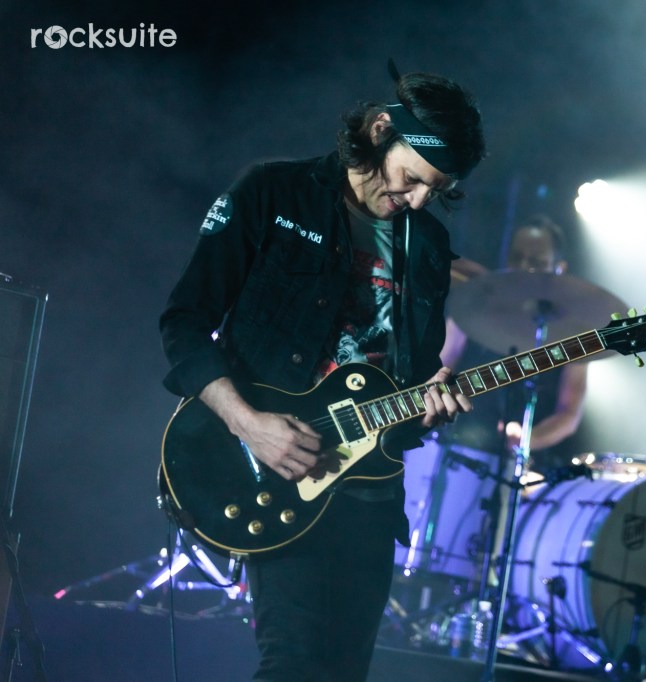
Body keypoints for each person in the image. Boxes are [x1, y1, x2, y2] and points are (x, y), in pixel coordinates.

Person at [159, 67, 486, 681]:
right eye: (413, 178)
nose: (418, 200)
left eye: (435, 190)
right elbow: (184, 322)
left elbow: (412, 382)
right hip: (276, 470)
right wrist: (248, 424)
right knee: (293, 665)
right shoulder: (274, 192)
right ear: (381, 131)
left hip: (370, 494)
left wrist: (430, 402)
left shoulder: (428, 246)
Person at [440, 215, 588, 466]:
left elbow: (569, 414)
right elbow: (439, 369)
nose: (523, 268)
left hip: (520, 465)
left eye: (536, 262)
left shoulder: (572, 330)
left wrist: (528, 439)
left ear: (559, 268)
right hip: (450, 448)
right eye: (516, 258)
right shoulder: (474, 307)